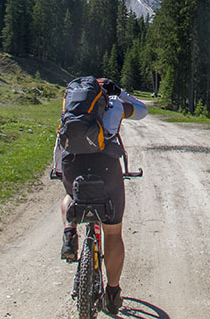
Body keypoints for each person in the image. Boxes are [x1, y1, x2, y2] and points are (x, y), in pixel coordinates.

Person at [54, 77, 147, 315]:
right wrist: (122, 92)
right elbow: (143, 111)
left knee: (68, 195)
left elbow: (60, 141)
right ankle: (113, 293)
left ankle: (69, 232)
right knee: (113, 232)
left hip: (72, 166)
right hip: (106, 169)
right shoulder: (116, 105)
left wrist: (58, 169)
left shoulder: (71, 108)